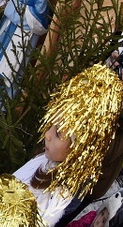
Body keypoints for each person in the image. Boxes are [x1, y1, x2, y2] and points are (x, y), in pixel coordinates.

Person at [12, 64, 123, 226]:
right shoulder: (45, 159)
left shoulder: (53, 201)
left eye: (58, 133)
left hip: (85, 185)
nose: (47, 135)